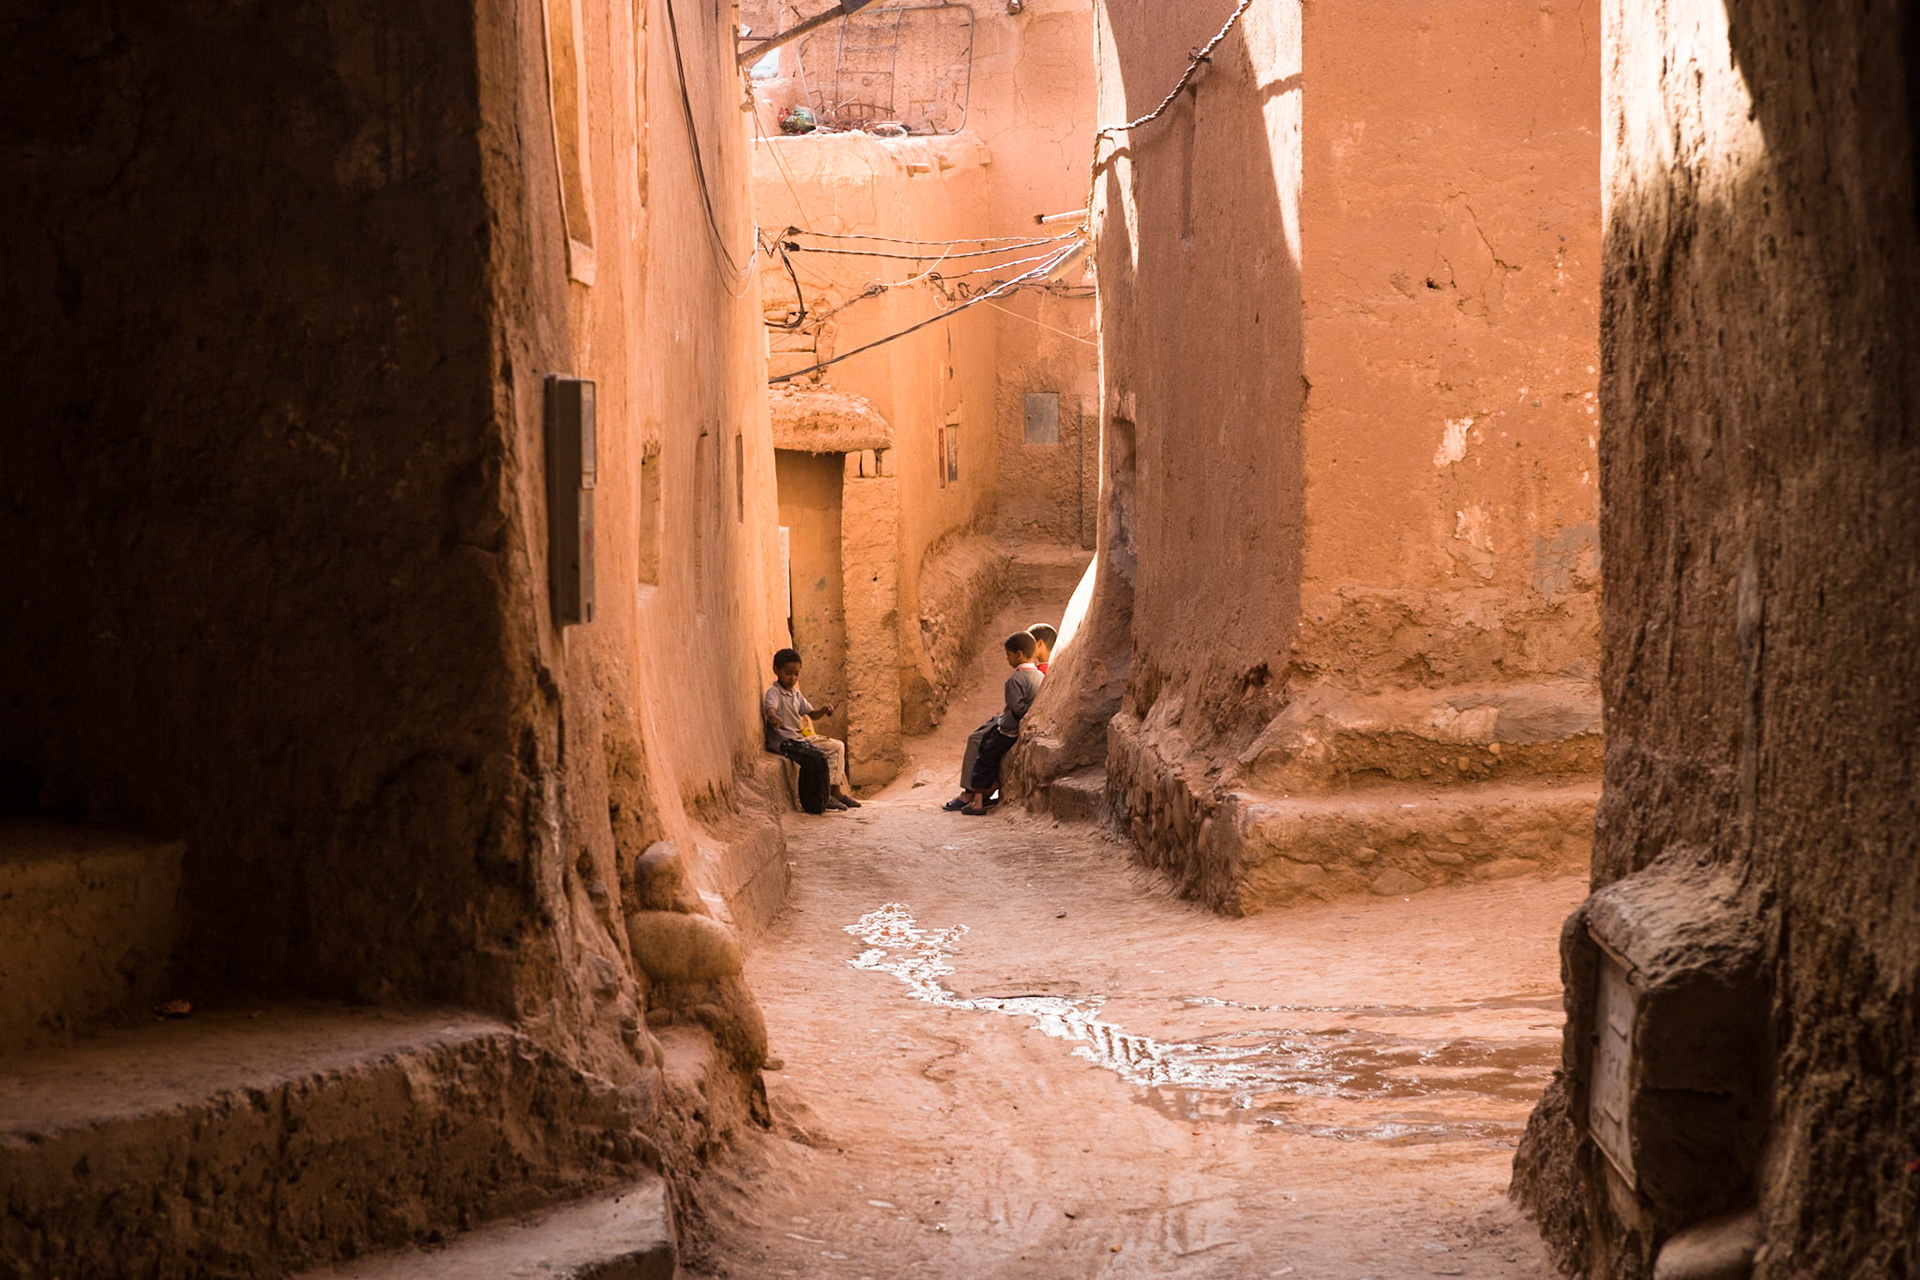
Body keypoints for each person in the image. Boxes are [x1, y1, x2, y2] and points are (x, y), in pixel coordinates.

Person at [945, 632, 1043, 816]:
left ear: (1019, 654)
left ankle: (977, 800)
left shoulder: (1014, 680)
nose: (1007, 659)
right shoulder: (1040, 676)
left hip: (1009, 729)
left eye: (1008, 655)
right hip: (1021, 725)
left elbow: (1017, 708)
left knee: (984, 756)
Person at [763, 648, 861, 811]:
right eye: (788, 673)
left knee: (837, 746)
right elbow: (770, 708)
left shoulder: (796, 694)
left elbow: (811, 714)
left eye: (796, 674)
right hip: (786, 742)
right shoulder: (775, 692)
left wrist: (823, 710)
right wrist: (774, 718)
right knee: (818, 757)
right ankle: (827, 795)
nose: (792, 678)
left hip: (799, 739)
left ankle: (833, 791)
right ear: (776, 670)